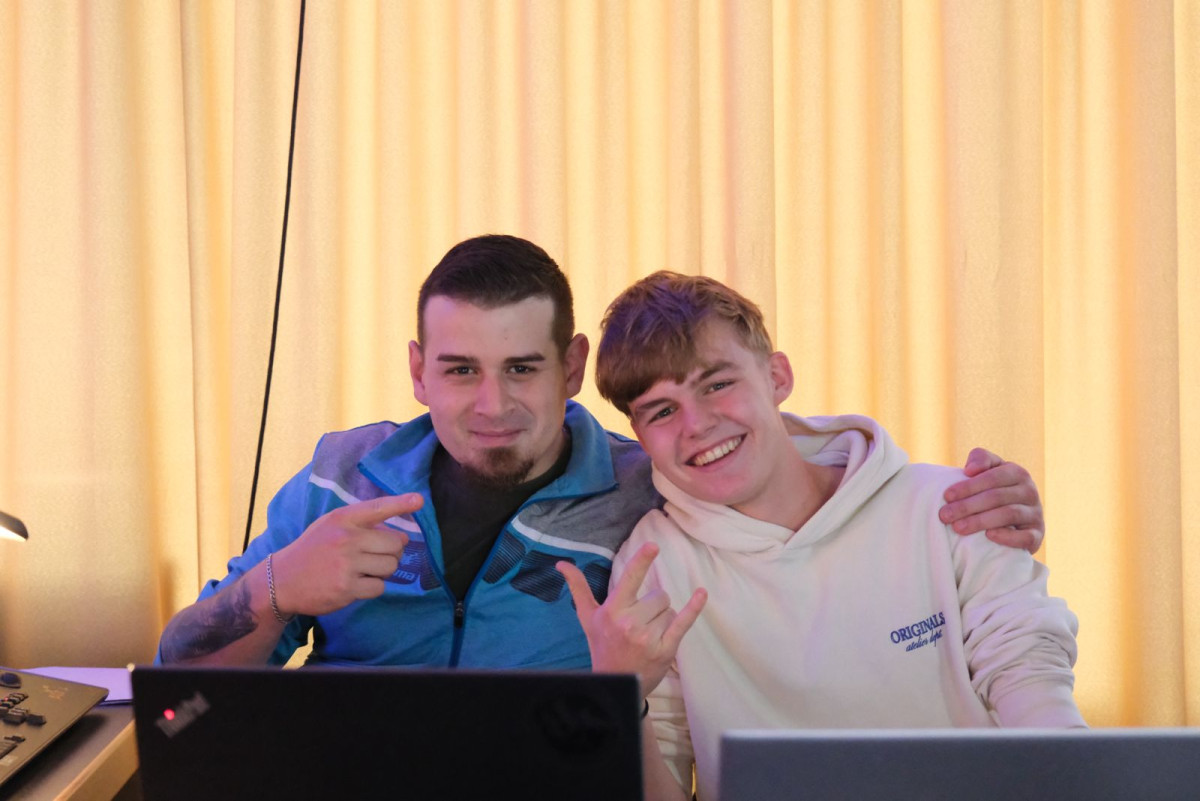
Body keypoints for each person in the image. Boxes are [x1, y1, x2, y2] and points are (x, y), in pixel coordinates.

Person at [157, 234, 1047, 671]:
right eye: (461, 370)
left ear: (574, 365)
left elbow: (788, 478)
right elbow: (179, 677)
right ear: (419, 371)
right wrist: (275, 587)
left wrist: (961, 504)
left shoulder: (653, 487)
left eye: (523, 368)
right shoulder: (336, 479)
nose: (493, 405)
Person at [557, 271, 1084, 801]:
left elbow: (1025, 665)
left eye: (717, 384)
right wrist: (622, 695)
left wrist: (1079, 776)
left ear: (777, 377)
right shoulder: (652, 565)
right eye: (662, 411)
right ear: (639, 434)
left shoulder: (951, 505)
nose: (696, 425)